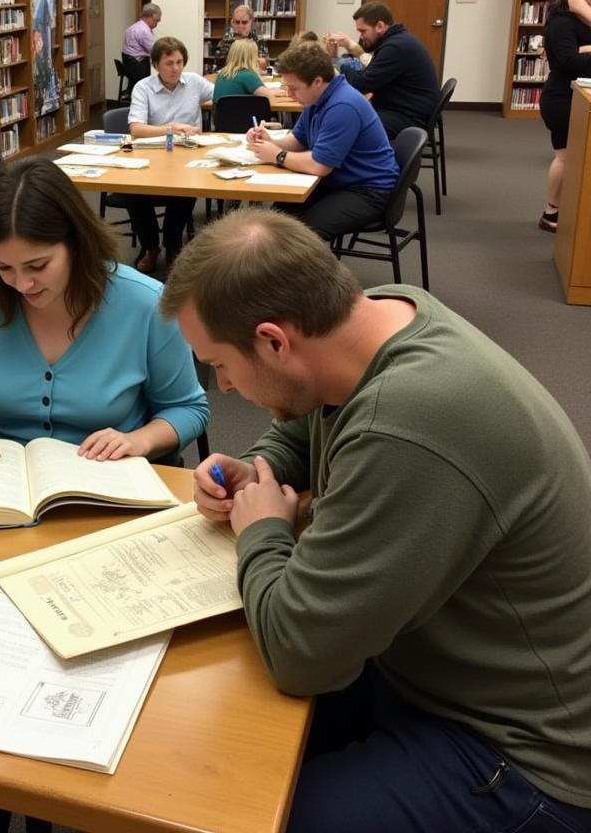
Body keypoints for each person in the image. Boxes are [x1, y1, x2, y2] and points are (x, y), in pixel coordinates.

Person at [160, 208, 591, 833]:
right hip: (425, 670)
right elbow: (309, 426)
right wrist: (255, 467)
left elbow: (300, 651)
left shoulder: (409, 420)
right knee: (210, 736)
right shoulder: (381, 319)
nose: (220, 388)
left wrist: (261, 532)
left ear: (275, 340)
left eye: (218, 364)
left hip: (525, 754)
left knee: (246, 814)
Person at [0, 156, 208, 467]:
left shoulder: (143, 302)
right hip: (4, 479)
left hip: (108, 479)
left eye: (38, 265)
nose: (22, 284)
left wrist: (138, 440)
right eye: (3, 266)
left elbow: (188, 408)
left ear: (76, 243)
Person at [247, 41, 398, 241]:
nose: (289, 94)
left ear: (317, 81)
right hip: (339, 180)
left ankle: (304, 271)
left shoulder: (343, 105)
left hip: (367, 190)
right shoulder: (315, 98)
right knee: (273, 221)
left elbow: (320, 165)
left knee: (300, 237)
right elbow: (299, 139)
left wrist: (277, 155)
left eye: (294, 88)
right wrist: (271, 141)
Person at [124, 35, 215, 273]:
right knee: (132, 192)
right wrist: (171, 129)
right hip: (151, 157)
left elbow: (222, 94)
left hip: (187, 157)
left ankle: (173, 245)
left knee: (187, 189)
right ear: (156, 65)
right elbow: (136, 129)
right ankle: (151, 247)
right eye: (169, 63)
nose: (176, 69)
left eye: (179, 62)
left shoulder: (194, 82)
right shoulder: (143, 88)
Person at [538, 0, 591, 232]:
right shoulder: (562, 22)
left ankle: (562, 211)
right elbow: (568, 62)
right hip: (562, 100)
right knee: (565, 156)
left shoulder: (583, 19)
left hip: (577, 96)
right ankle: (551, 212)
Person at [339, 1, 440, 137]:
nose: (361, 37)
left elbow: (362, 83)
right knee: (349, 118)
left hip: (408, 118)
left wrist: (336, 63)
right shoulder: (397, 40)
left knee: (347, 124)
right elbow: (369, 73)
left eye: (363, 31)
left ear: (380, 26)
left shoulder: (396, 47)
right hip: (406, 110)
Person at [213, 3, 267, 71]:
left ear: (251, 22)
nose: (240, 26)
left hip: (251, 73)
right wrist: (236, 39)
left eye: (244, 22)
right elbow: (218, 62)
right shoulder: (228, 36)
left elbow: (265, 62)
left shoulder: (257, 37)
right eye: (237, 22)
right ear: (232, 22)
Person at [121, 2, 162, 80]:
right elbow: (154, 51)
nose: (157, 23)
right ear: (152, 16)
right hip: (138, 66)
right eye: (157, 20)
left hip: (129, 63)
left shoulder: (134, 26)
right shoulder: (144, 31)